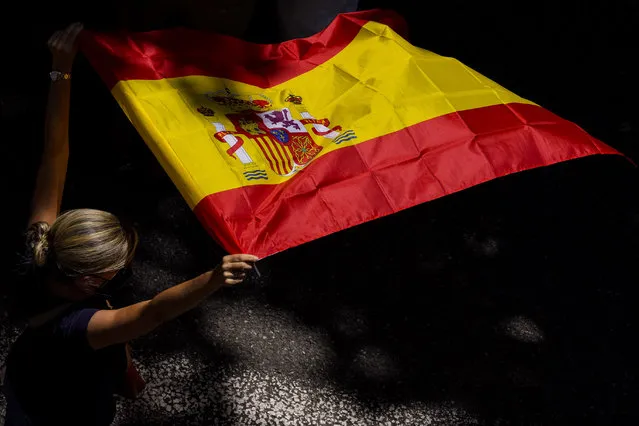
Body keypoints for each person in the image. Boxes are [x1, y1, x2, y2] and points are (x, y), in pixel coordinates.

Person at [3, 23, 258, 426]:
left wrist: (61, 69)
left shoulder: (39, 247)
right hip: (65, 410)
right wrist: (213, 278)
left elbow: (55, 154)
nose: (124, 269)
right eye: (118, 267)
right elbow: (153, 312)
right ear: (91, 279)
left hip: (29, 380)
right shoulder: (83, 326)